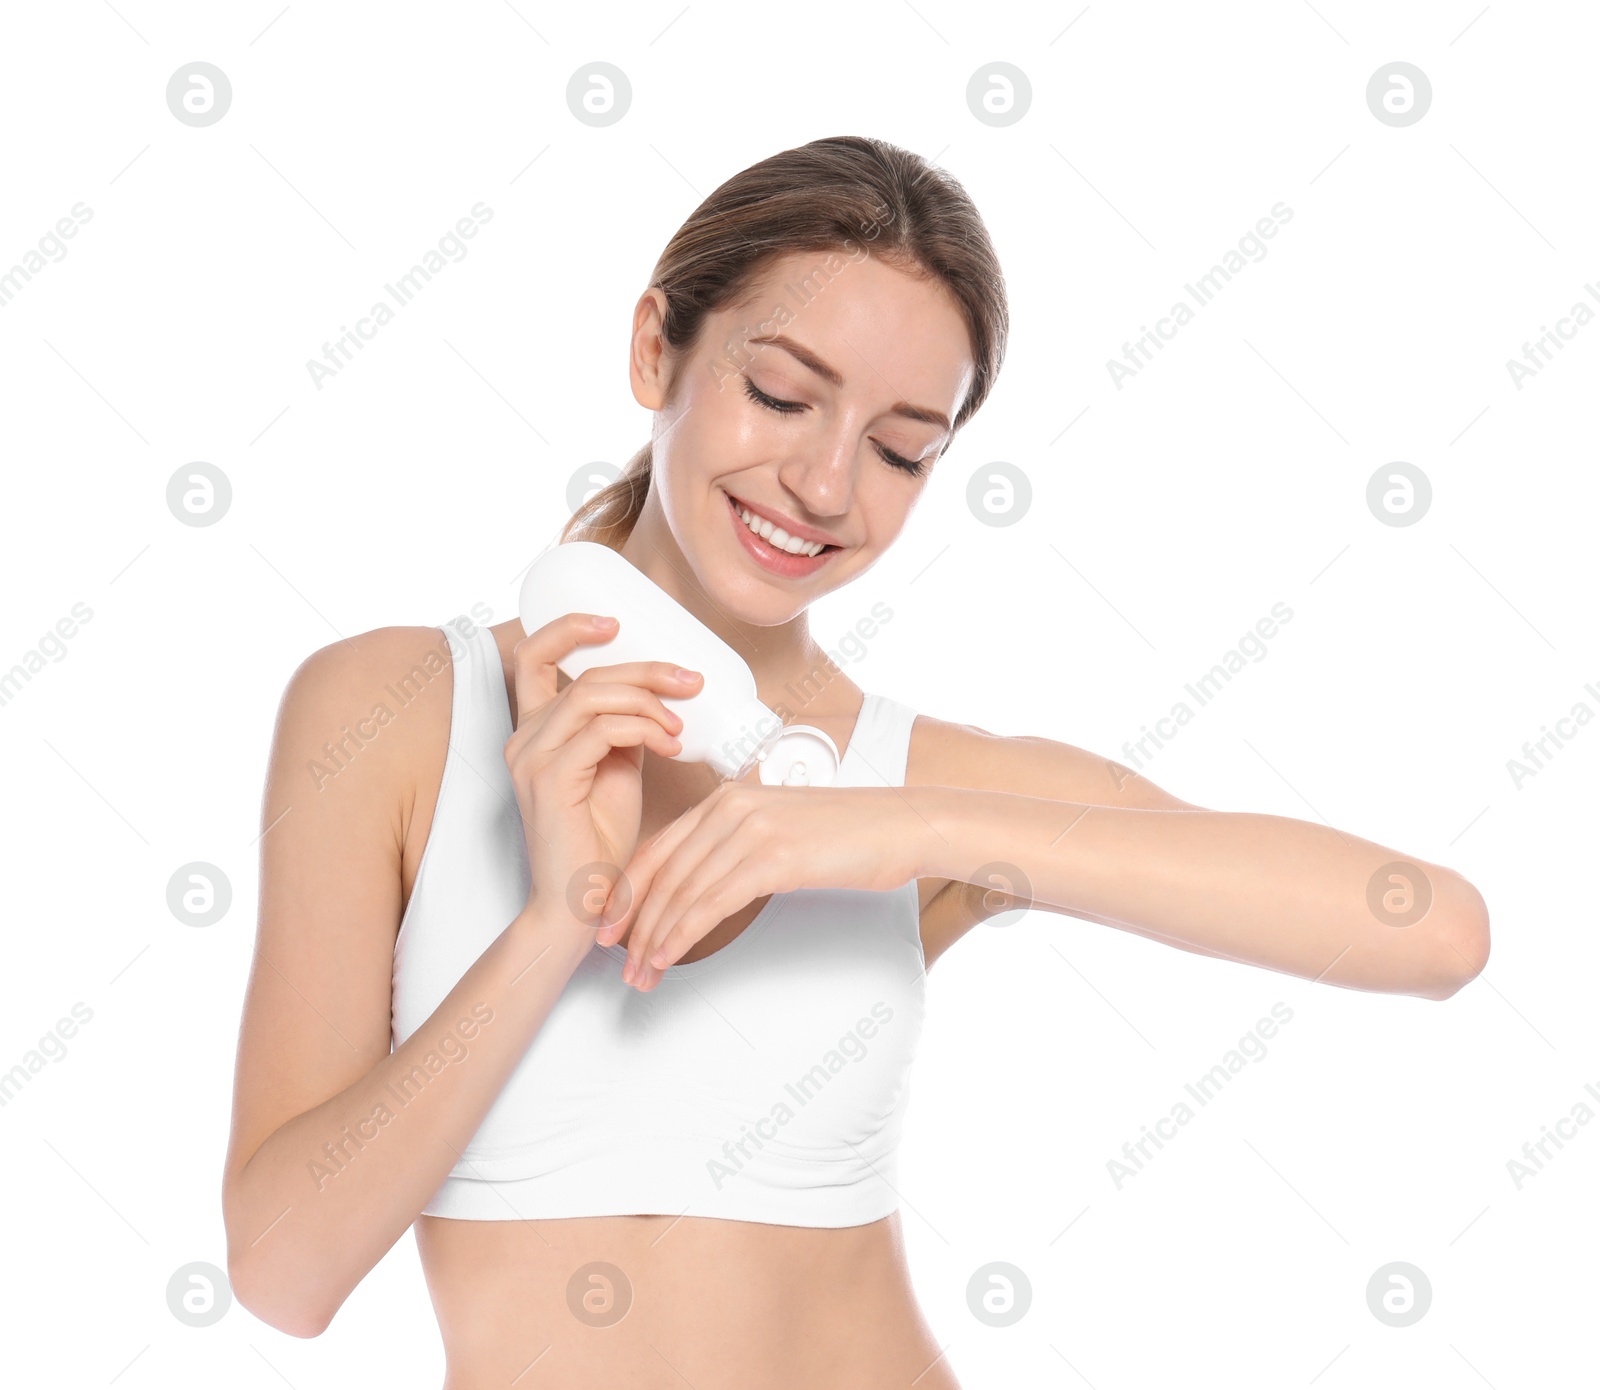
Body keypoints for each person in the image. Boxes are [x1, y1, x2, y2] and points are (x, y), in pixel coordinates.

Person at [221, 135, 1490, 1387]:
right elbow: (284, 1278)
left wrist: (895, 830)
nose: (826, 484)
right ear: (656, 347)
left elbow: (1435, 933)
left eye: (900, 449)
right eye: (780, 395)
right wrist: (557, 919)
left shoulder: (907, 783)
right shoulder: (394, 712)